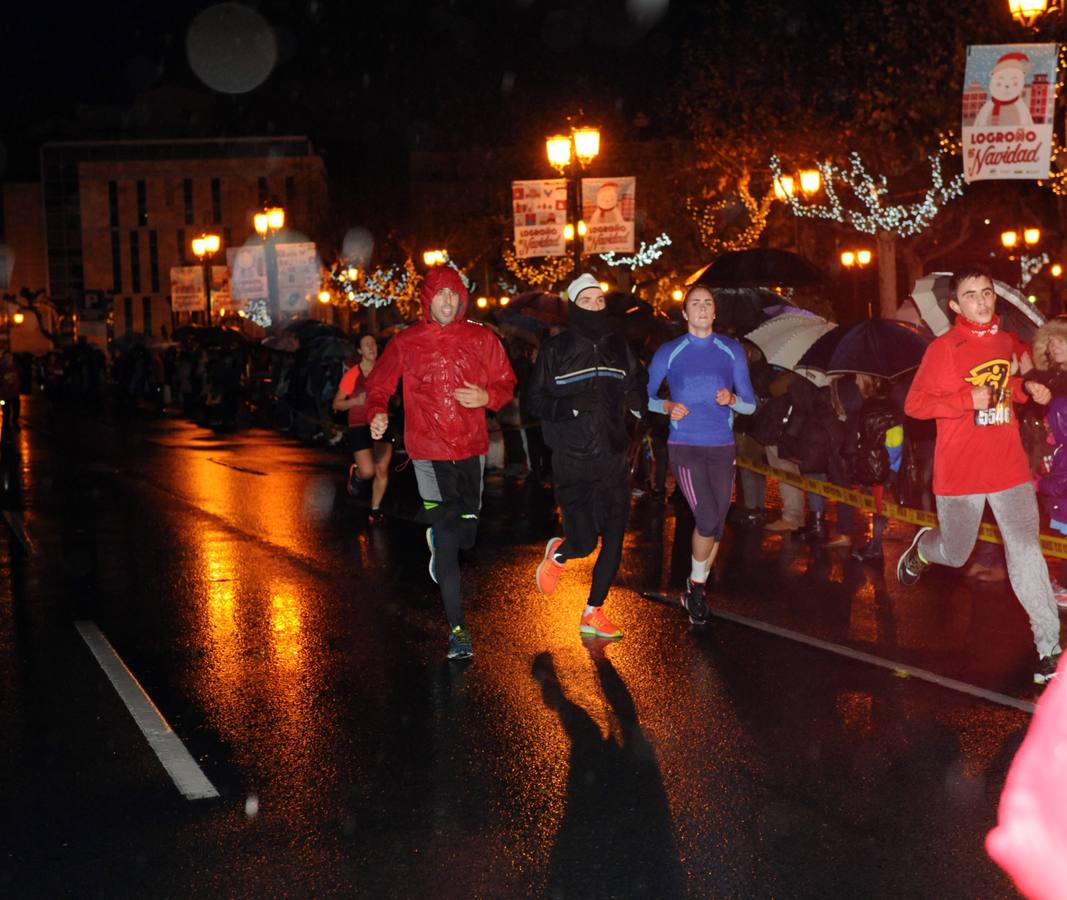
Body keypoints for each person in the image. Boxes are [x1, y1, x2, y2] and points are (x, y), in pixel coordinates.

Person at [898, 265, 1062, 685]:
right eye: (971, 295)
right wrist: (963, 398)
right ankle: (923, 547)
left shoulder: (1007, 340)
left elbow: (1010, 389)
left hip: (1008, 467)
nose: (982, 301)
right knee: (956, 553)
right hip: (961, 474)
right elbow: (915, 405)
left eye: (986, 293)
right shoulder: (944, 349)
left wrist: (1030, 391)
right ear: (955, 304)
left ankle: (1049, 648)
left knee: (1026, 553)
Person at [366, 267, 516, 660]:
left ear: (462, 298)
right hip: (428, 454)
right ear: (427, 299)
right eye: (440, 295)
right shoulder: (407, 342)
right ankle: (459, 630)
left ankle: (439, 537)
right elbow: (378, 384)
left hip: (471, 450)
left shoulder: (482, 339)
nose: (447, 302)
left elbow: (505, 381)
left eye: (454, 295)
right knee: (450, 540)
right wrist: (377, 413)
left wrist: (487, 397)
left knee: (467, 535)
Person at [524, 273, 647, 640]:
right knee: (586, 543)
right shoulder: (555, 351)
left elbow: (635, 381)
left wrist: (637, 401)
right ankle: (562, 552)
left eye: (599, 301)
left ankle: (593, 611)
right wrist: (570, 405)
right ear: (575, 306)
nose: (595, 306)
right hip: (572, 458)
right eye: (587, 300)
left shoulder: (618, 345)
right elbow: (533, 402)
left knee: (614, 535)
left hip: (612, 455)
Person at [645, 284, 756, 625]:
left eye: (708, 303)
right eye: (696, 303)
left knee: (717, 524)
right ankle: (695, 586)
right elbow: (645, 397)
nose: (703, 308)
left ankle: (697, 588)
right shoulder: (670, 351)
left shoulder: (732, 350)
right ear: (685, 313)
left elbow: (750, 404)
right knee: (706, 516)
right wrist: (667, 405)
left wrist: (731, 400)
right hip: (686, 446)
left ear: (715, 312)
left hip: (721, 446)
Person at [333, 333, 394, 523]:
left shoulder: (385, 371)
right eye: (367, 345)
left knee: (382, 469)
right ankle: (357, 473)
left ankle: (375, 510)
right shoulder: (352, 374)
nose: (371, 347)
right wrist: (355, 401)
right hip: (359, 424)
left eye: (374, 344)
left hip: (382, 423)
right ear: (359, 350)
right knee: (369, 471)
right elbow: (336, 404)